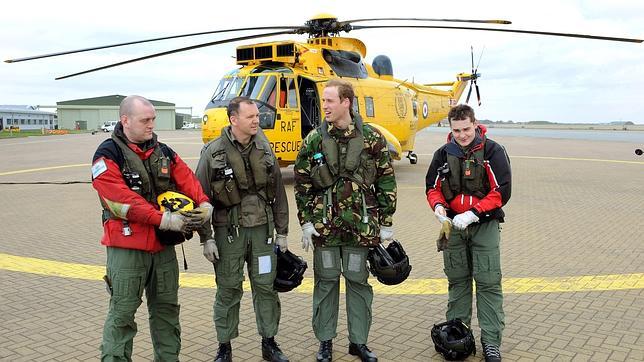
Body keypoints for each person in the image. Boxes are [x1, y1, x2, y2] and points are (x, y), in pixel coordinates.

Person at [91, 95, 212, 361]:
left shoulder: (163, 152)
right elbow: (120, 199)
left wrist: (203, 203)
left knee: (167, 312)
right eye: (145, 120)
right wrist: (163, 219)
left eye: (153, 119)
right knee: (122, 315)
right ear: (125, 121)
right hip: (127, 249)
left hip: (163, 249)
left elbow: (186, 178)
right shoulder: (107, 155)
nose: (151, 125)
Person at [294, 79, 397, 362]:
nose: (323, 106)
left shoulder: (372, 139)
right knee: (326, 283)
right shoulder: (315, 140)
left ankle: (359, 342)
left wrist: (386, 222)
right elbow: (303, 184)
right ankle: (325, 342)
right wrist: (306, 222)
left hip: (360, 228)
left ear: (346, 103)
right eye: (323, 101)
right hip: (324, 228)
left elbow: (386, 180)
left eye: (329, 101)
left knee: (357, 282)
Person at [195, 96, 290, 362]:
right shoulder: (213, 153)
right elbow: (200, 197)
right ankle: (224, 347)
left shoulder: (265, 147)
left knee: (265, 287)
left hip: (262, 232)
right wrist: (206, 238)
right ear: (233, 119)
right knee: (228, 288)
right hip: (230, 234)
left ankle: (269, 342)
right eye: (250, 117)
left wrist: (282, 232)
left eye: (257, 116)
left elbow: (279, 192)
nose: (256, 121)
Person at [425, 104, 511, 362]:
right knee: (458, 282)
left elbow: (502, 191)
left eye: (466, 129)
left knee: (488, 284)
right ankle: (457, 336)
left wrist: (474, 213)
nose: (462, 135)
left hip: (483, 226)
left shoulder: (493, 151)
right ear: (450, 129)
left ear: (475, 124)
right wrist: (439, 208)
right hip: (453, 228)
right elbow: (432, 187)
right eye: (456, 130)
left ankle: (491, 343)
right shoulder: (442, 154)